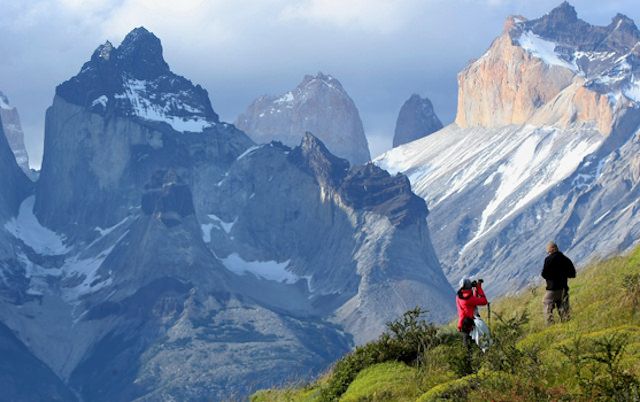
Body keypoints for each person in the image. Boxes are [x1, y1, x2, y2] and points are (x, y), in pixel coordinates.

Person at [541, 241, 576, 324]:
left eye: (548, 251)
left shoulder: (548, 259)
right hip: (563, 288)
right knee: (563, 306)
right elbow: (572, 274)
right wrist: (563, 275)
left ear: (551, 249)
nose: (548, 253)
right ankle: (566, 323)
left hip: (552, 289)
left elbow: (544, 274)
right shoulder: (566, 259)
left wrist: (552, 278)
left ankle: (550, 324)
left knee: (547, 303)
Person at [456, 277, 488, 348]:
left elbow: (473, 302)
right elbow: (484, 301)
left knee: (467, 346)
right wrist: (478, 288)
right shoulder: (469, 299)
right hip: (471, 324)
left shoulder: (458, 297)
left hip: (463, 324)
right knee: (476, 345)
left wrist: (475, 289)